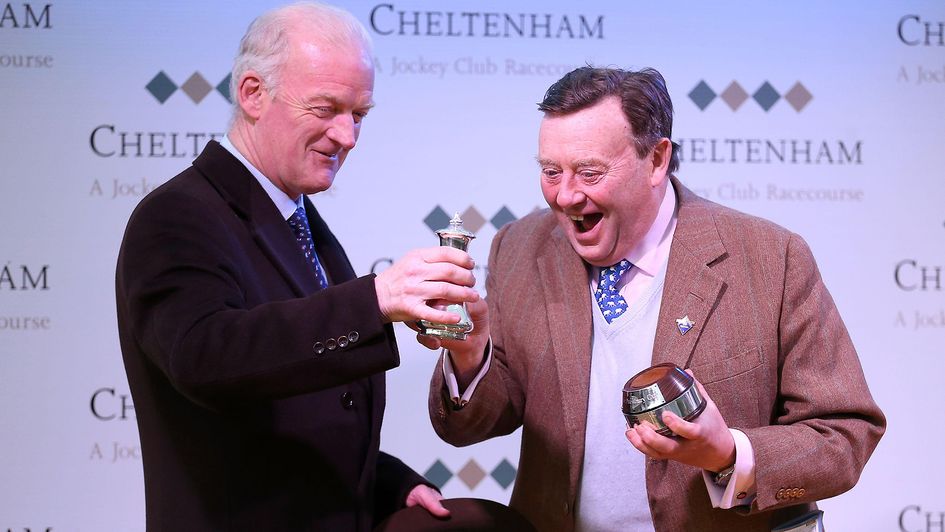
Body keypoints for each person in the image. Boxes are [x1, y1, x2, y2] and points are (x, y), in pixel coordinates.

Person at [422, 67, 886, 531]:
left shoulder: (770, 259)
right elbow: (472, 425)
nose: (565, 196)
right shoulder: (518, 247)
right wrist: (469, 355)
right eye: (550, 172)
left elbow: (843, 433)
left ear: (657, 160)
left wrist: (728, 453)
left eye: (589, 172)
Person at [115, 3, 480, 530]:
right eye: (326, 108)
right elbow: (204, 358)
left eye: (359, 114)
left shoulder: (297, 217)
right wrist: (374, 300)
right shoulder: (176, 215)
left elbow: (289, 421)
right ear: (253, 94)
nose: (348, 137)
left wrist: (390, 486)